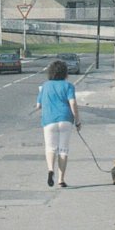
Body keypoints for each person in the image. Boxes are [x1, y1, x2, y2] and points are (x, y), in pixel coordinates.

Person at [35, 59, 81, 188]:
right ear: (65, 72)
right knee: (63, 150)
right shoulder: (68, 86)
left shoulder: (45, 86)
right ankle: (61, 180)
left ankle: (51, 170)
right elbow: (73, 103)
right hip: (65, 119)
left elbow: (38, 105)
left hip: (49, 120)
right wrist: (77, 120)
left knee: (50, 148)